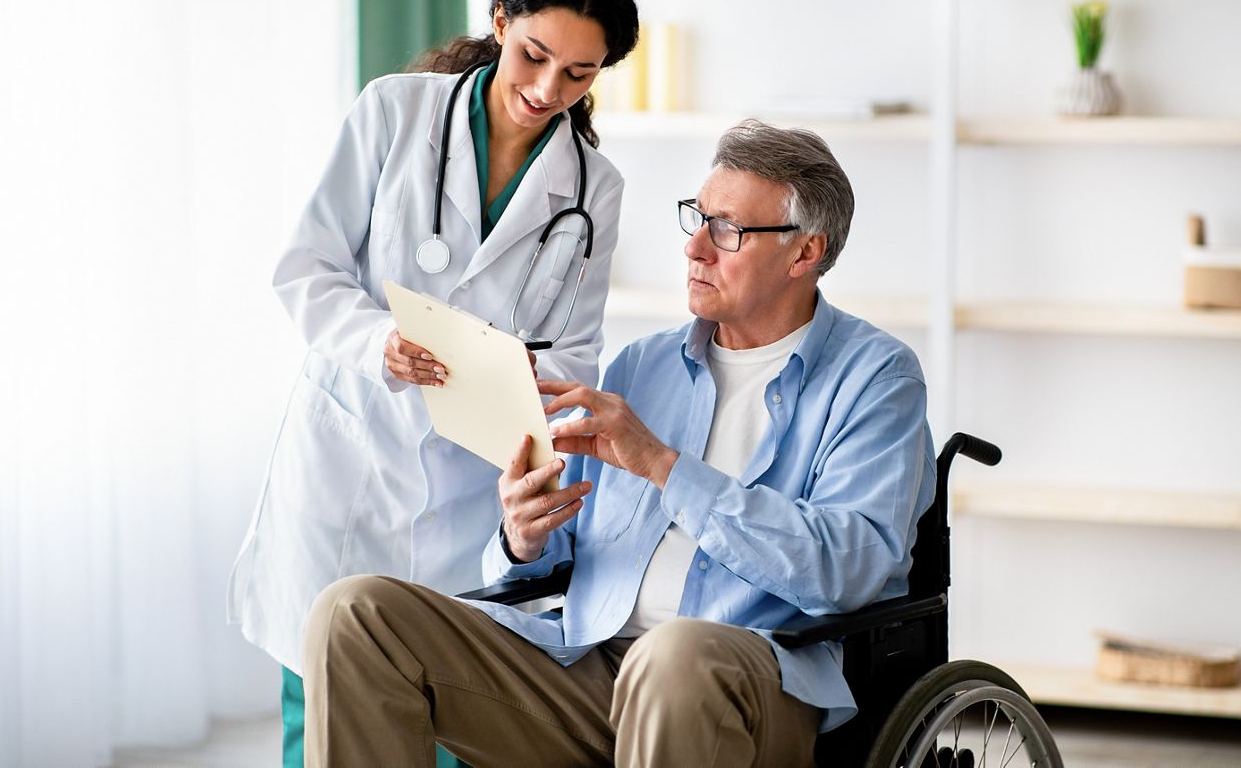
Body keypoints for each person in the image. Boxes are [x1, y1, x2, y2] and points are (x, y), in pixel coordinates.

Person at [300, 120, 938, 767]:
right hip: (590, 668)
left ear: (805, 254)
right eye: (697, 218)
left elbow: (853, 568)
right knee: (355, 614)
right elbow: (555, 559)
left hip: (753, 680)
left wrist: (664, 466)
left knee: (676, 654)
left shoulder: (876, 379)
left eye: (728, 229)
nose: (695, 248)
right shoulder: (643, 366)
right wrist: (523, 536)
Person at [226, 0, 640, 767]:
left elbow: (577, 351)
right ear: (499, 22)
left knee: (452, 712)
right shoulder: (394, 113)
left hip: (465, 486)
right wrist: (377, 341)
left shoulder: (596, 189)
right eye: (534, 55)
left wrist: (539, 384)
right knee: (325, 705)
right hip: (350, 461)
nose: (546, 90)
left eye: (578, 74)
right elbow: (304, 269)